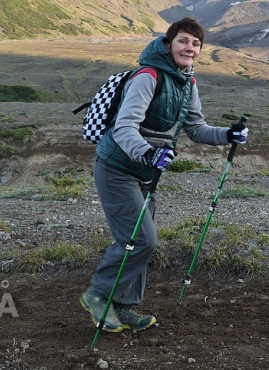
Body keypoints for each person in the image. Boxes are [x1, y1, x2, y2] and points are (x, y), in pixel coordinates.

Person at [80, 17, 249, 333]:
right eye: (184, 41)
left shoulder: (187, 83)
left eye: (196, 44)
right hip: (117, 168)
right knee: (141, 239)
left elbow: (196, 129)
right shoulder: (149, 76)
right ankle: (98, 295)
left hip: (146, 173)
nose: (190, 48)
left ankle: (124, 308)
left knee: (136, 242)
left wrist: (229, 134)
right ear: (169, 43)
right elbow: (125, 127)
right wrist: (149, 153)